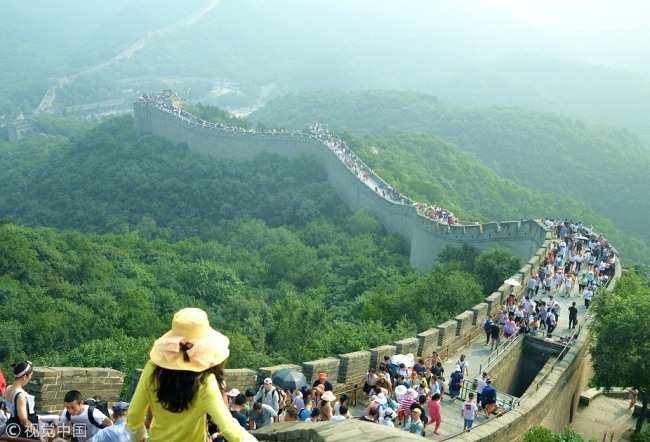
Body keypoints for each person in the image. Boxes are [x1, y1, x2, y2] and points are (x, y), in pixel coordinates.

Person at [125, 307, 256, 442]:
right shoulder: (204, 382)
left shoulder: (152, 369)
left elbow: (133, 417)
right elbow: (231, 430)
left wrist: (140, 437)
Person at [3, 361, 39, 440]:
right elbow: (23, 420)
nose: (30, 378)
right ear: (24, 377)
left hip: (11, 426)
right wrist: (38, 435)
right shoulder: (20, 395)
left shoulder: (8, 388)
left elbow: (5, 408)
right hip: (22, 432)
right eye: (30, 376)